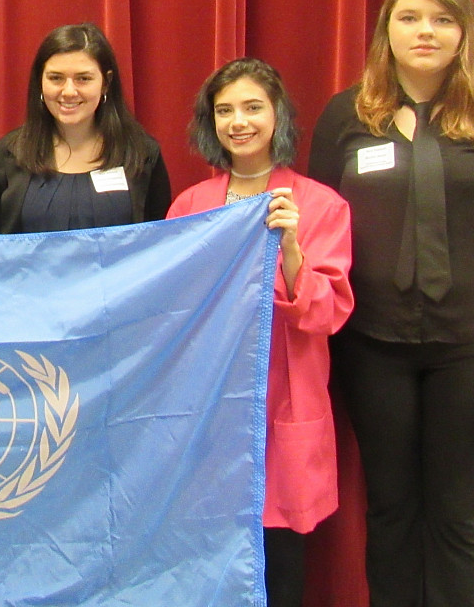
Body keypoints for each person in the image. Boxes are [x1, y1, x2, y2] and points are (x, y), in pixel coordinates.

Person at [307, 0, 474, 607]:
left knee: (461, 518)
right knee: (390, 511)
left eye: (443, 19)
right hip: (372, 349)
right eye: (410, 17)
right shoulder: (346, 118)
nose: (426, 31)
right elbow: (319, 233)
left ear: (464, 32)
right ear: (386, 30)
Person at [166, 58, 353, 607]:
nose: (238, 122)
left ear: (278, 116)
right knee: (209, 553)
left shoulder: (319, 205)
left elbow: (328, 313)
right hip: (210, 403)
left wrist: (291, 251)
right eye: (225, 110)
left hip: (284, 398)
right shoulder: (190, 206)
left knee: (281, 557)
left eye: (252, 108)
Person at [0, 22, 169, 232]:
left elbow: (159, 242)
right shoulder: (9, 153)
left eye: (83, 79)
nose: (69, 92)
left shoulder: (142, 154)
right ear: (40, 81)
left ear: (106, 83)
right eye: (56, 78)